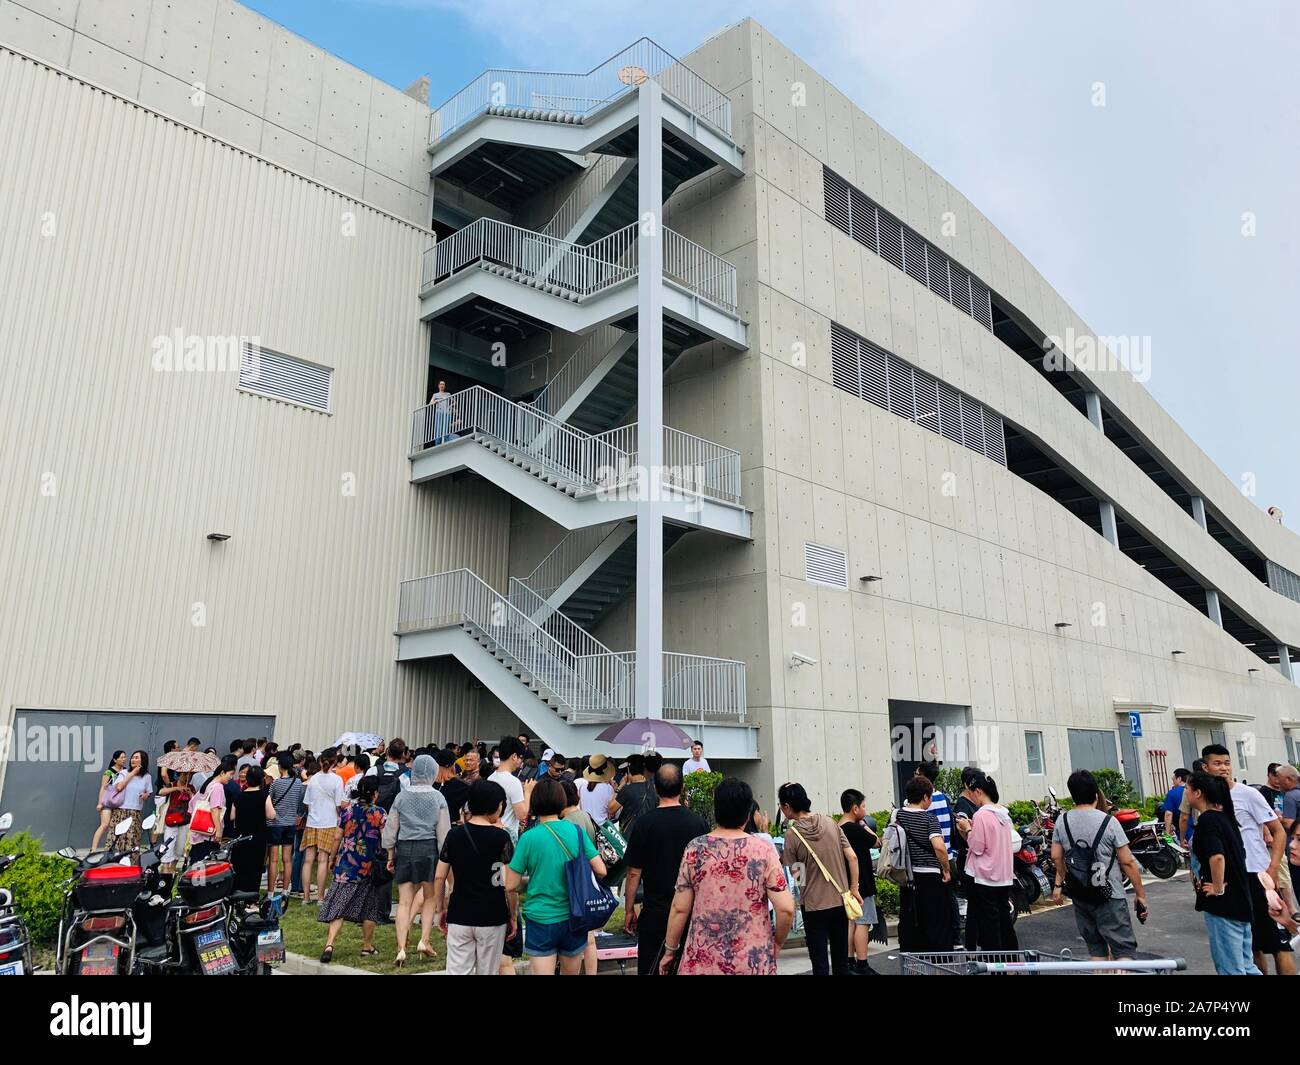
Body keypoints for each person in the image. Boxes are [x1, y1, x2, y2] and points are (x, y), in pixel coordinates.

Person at [662, 777, 795, 975]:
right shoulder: (764, 851)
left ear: (716, 809)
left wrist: (670, 951)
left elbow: (680, 908)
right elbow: (786, 909)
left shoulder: (695, 849)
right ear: (748, 813)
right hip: (752, 960)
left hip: (702, 961)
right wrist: (776, 943)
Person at [1201, 743, 1294, 975]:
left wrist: (1272, 868)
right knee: (1251, 946)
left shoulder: (1248, 794)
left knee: (1277, 943)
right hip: (1233, 880)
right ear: (1205, 767)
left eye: (1227, 763)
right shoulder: (1207, 801)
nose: (1224, 768)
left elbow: (1278, 831)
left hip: (1256, 875)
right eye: (1217, 763)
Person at [505, 778, 606, 975]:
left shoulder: (528, 838)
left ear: (534, 803)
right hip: (574, 916)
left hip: (541, 918)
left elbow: (510, 884)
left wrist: (531, 881)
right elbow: (601, 870)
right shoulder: (576, 832)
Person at [1049, 769, 1148, 962]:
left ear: (1073, 795)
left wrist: (1062, 880)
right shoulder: (1109, 822)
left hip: (1081, 896)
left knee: (1096, 951)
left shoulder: (1063, 821)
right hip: (1110, 895)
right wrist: (1140, 895)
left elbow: (1056, 856)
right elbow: (1127, 861)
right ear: (1096, 794)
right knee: (1123, 951)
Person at [623, 764, 709, 975]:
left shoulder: (645, 824)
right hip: (691, 910)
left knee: (651, 966)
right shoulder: (698, 824)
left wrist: (628, 909)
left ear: (654, 788)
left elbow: (634, 872)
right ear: (682, 787)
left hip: (655, 910)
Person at [778, 781, 860, 975]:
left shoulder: (792, 835)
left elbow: (798, 876)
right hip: (840, 901)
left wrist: (806, 887)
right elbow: (852, 857)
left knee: (820, 964)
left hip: (813, 907)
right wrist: (854, 888)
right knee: (841, 963)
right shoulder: (831, 822)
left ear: (787, 807)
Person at [435, 779, 517, 974]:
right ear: (496, 806)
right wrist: (512, 915)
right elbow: (509, 884)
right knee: (487, 970)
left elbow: (439, 876)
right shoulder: (502, 838)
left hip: (460, 912)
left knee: (457, 970)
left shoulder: (454, 835)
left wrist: (441, 909)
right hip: (492, 914)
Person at [1185, 770, 1261, 974]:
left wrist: (1218, 888)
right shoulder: (1226, 819)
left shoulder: (1208, 821)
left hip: (1223, 906)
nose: (1185, 793)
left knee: (1230, 969)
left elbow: (1217, 856)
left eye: (1187, 789)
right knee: (1247, 966)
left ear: (1198, 793)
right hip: (1241, 902)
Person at [383, 754, 451, 967]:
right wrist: (445, 858)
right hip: (429, 849)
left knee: (404, 901)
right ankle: (424, 940)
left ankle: (401, 947)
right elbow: (443, 832)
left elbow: (391, 828)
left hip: (405, 848)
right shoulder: (438, 797)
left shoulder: (401, 797)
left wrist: (390, 854)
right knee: (429, 897)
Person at [318, 776, 388, 963]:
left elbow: (337, 837)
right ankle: (367, 946)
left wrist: (333, 857)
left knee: (339, 906)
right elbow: (386, 838)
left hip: (346, 864)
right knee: (370, 907)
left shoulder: (347, 811)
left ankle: (330, 944)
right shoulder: (380, 813)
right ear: (374, 794)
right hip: (369, 866)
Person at [896, 774, 954, 952]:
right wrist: (946, 869)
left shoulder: (897, 815)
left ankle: (913, 965)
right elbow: (939, 847)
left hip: (908, 878)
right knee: (936, 924)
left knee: (912, 922)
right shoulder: (929, 819)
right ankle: (938, 967)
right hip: (930, 878)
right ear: (925, 797)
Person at [964, 774, 1017, 950]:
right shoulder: (1003, 813)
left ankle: (996, 965)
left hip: (986, 876)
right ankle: (1012, 965)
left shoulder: (981, 815)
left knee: (990, 926)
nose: (971, 797)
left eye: (971, 793)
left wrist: (968, 829)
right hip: (1004, 875)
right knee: (1005, 922)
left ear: (978, 791)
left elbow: (978, 847)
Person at [839, 788, 879, 975]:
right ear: (855, 808)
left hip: (845, 884)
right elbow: (876, 841)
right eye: (863, 806)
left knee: (851, 923)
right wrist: (864, 824)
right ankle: (863, 963)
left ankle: (849, 962)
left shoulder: (837, 828)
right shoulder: (856, 828)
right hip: (862, 882)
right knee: (863, 922)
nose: (865, 810)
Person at [301, 757, 347, 906]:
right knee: (323, 860)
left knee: (308, 860)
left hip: (312, 822)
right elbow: (338, 804)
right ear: (334, 762)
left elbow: (307, 804)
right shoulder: (337, 780)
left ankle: (306, 897)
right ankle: (320, 897)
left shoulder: (313, 779)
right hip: (329, 822)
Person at [950, 765, 983, 949]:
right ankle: (971, 947)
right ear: (966, 784)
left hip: (975, 859)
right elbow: (961, 829)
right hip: (968, 859)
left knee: (977, 906)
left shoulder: (974, 803)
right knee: (975, 906)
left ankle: (976, 943)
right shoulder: (963, 805)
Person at [230, 765, 273, 894]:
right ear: (261, 779)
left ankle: (237, 893)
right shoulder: (264, 796)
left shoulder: (239, 796)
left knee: (240, 865)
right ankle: (251, 896)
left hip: (240, 836)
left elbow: (232, 816)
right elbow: (271, 815)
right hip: (258, 837)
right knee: (255, 867)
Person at [266, 753, 303, 894]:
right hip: (290, 823)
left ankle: (270, 892)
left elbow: (270, 802)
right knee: (287, 859)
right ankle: (285, 890)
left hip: (275, 824)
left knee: (274, 860)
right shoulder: (297, 782)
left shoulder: (276, 783)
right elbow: (300, 802)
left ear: (280, 766)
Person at [188, 756, 235, 863]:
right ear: (222, 773)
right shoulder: (218, 787)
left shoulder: (208, 784)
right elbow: (215, 809)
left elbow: (192, 804)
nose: (231, 778)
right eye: (230, 774)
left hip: (198, 832)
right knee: (206, 866)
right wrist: (218, 830)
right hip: (209, 834)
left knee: (196, 864)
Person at [107, 750, 153, 854]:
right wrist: (132, 773)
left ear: (143, 761)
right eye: (133, 757)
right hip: (120, 811)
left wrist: (145, 795)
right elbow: (118, 787)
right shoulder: (124, 773)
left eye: (137, 758)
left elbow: (148, 793)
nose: (133, 759)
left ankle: (130, 866)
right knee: (117, 841)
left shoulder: (147, 776)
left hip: (135, 812)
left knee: (132, 841)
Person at [489, 736, 533, 840]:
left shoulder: (491, 778)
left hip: (491, 832)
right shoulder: (513, 781)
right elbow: (521, 815)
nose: (521, 761)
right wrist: (528, 791)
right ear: (514, 756)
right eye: (520, 757)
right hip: (506, 836)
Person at [608, 754, 656, 834]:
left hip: (630, 836)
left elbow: (611, 809)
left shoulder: (627, 789)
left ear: (629, 770)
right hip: (649, 834)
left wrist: (619, 787)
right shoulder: (653, 788)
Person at [91, 750, 127, 851]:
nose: (124, 759)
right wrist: (100, 802)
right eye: (121, 757)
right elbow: (103, 787)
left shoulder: (125, 771)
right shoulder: (109, 772)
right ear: (115, 759)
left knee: (117, 826)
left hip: (120, 801)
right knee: (105, 824)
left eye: (124, 757)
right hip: (108, 801)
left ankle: (114, 849)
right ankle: (93, 849)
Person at [579, 754, 616, 825]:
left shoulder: (582, 787)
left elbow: (581, 808)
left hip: (586, 826)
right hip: (602, 828)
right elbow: (613, 813)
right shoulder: (608, 788)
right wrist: (616, 791)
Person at [154, 740, 178, 840]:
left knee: (160, 818)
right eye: (177, 747)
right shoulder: (166, 759)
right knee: (158, 819)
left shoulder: (171, 760)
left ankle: (155, 844)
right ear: (171, 749)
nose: (179, 749)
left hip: (166, 794)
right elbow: (164, 774)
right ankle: (153, 844)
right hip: (163, 793)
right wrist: (169, 785)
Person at [1162, 768, 1190, 841]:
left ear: (1179, 779)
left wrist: (1167, 834)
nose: (1173, 782)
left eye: (1173, 779)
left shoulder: (1172, 793)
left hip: (1183, 832)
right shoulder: (1195, 791)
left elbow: (1168, 814)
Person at [430, 379, 454, 445]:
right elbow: (430, 403)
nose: (442, 385)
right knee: (438, 427)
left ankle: (445, 441)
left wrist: (450, 407)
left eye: (443, 384)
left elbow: (454, 402)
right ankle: (437, 442)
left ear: (444, 386)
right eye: (441, 384)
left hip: (446, 413)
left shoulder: (448, 394)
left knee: (446, 427)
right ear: (438, 386)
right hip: (439, 412)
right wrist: (435, 402)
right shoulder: (435, 395)